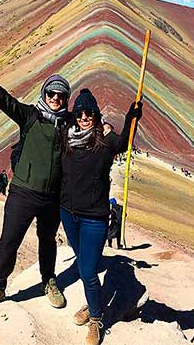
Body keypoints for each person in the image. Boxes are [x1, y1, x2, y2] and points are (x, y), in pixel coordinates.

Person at [0, 62, 71, 311]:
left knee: (47, 240)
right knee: (9, 240)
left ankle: (48, 281)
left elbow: (92, 127)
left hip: (53, 196)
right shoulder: (30, 116)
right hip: (24, 192)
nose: (55, 99)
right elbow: (5, 101)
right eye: (51, 94)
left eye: (61, 95)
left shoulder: (69, 125)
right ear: (44, 94)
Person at [60, 88, 142, 345]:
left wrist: (131, 118)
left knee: (86, 270)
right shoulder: (66, 137)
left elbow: (124, 141)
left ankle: (96, 318)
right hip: (68, 213)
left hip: (94, 218)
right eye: (81, 112)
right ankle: (93, 302)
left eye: (90, 113)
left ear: (96, 115)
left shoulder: (105, 141)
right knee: (86, 263)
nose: (85, 117)